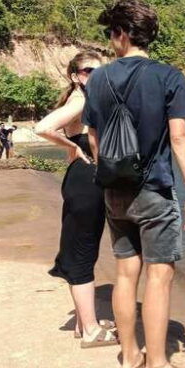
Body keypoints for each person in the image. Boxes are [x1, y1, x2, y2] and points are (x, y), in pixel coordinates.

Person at [83, 0, 185, 368]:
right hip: (154, 189)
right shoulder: (169, 77)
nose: (111, 42)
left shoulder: (97, 79)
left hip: (114, 192)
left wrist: (110, 175)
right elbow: (180, 135)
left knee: (124, 273)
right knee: (159, 277)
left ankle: (130, 358)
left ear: (121, 33)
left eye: (111, 34)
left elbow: (93, 136)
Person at [35, 50, 118, 348]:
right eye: (87, 71)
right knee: (83, 252)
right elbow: (43, 127)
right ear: (74, 76)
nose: (94, 76)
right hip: (85, 183)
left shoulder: (83, 100)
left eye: (100, 71)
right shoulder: (81, 101)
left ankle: (85, 324)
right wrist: (70, 143)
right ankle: (92, 329)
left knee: (83, 249)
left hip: (80, 182)